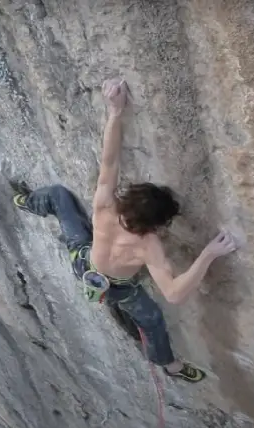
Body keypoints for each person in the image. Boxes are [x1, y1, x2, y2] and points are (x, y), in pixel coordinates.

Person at [12, 78, 238, 382]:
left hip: (84, 262)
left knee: (56, 195)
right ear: (157, 224)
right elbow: (173, 293)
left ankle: (28, 202)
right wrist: (209, 254)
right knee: (152, 319)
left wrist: (115, 111)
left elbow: (110, 159)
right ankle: (169, 366)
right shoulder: (148, 245)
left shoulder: (106, 204)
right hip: (118, 288)